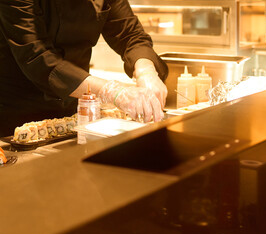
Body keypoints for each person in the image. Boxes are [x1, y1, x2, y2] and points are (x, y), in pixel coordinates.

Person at [0, 0, 168, 137]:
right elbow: (37, 57)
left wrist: (146, 70)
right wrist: (111, 90)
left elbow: (131, 35)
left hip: (74, 106)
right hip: (16, 114)